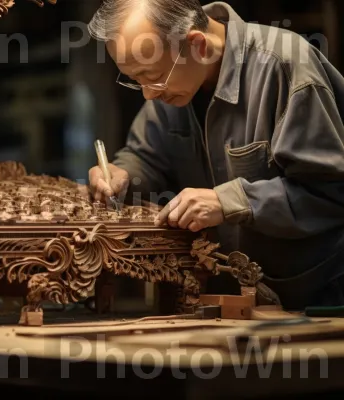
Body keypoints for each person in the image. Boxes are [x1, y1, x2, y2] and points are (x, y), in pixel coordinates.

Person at [86, 0, 344, 309]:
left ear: (198, 46)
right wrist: (122, 173)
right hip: (224, 301)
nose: (148, 94)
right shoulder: (170, 82)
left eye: (150, 76)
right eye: (134, 79)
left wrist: (230, 201)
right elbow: (147, 155)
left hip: (312, 301)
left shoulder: (284, 65)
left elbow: (331, 193)